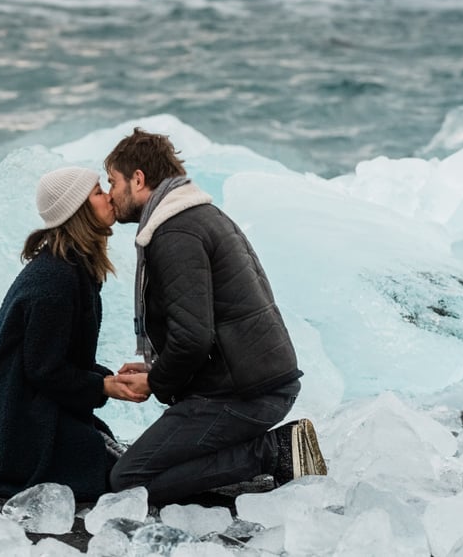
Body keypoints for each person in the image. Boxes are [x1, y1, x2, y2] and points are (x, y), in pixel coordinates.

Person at [104, 129, 326, 505]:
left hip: (246, 394)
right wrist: (154, 370)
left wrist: (154, 382)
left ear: (138, 179)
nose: (110, 194)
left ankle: (276, 450)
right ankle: (269, 448)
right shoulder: (198, 216)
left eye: (112, 182)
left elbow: (193, 338)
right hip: (251, 384)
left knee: (129, 482)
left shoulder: (175, 233)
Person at [0, 166, 146, 501]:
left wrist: (107, 378)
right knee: (128, 477)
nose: (109, 197)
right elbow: (44, 370)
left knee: (121, 460)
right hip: (21, 422)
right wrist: (104, 386)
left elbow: (57, 361)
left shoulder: (70, 267)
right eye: (98, 192)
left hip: (38, 409)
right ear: (78, 210)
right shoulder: (55, 281)